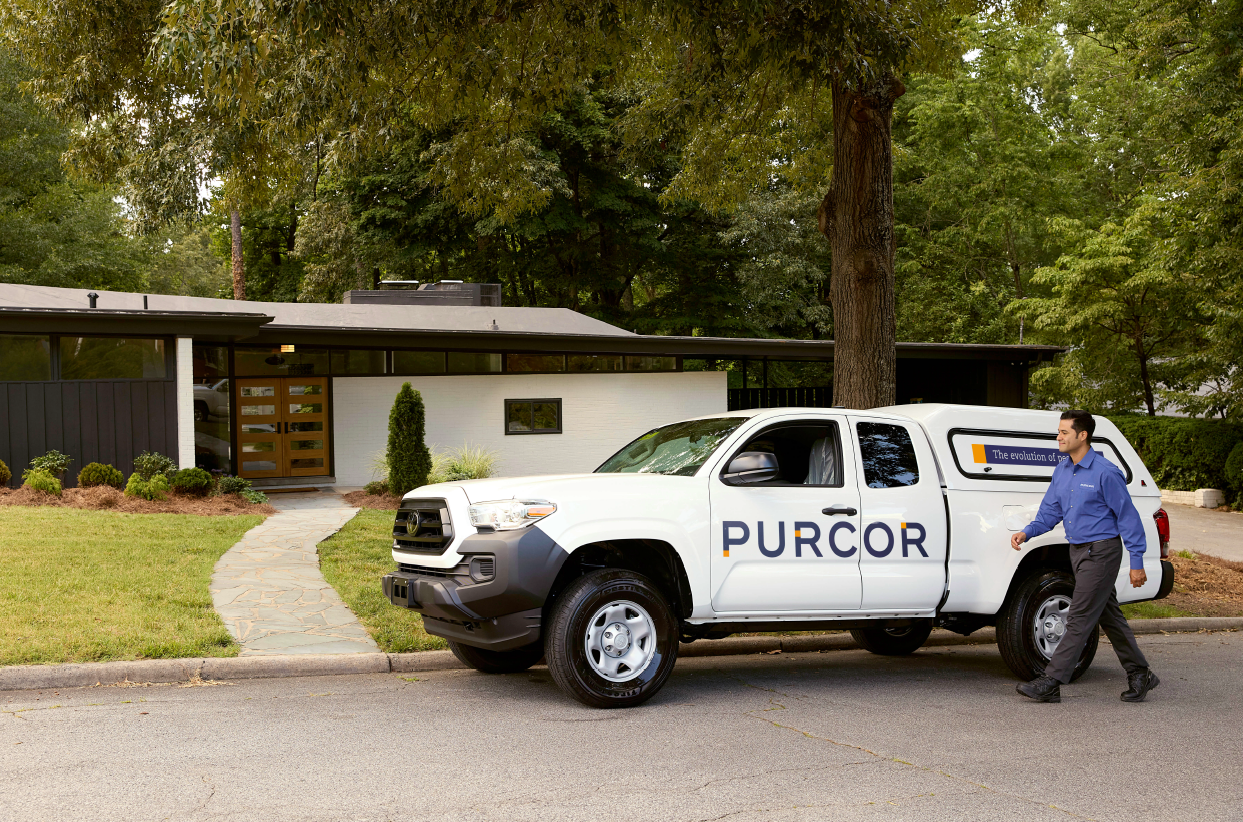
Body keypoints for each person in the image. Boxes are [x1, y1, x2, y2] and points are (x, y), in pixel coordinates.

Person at [1009, 410, 1159, 703]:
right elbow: (1050, 512)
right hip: (1077, 551)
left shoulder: (1106, 472)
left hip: (1102, 551)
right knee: (1108, 614)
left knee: (1078, 615)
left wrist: (1137, 563)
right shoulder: (1062, 470)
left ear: (1082, 435)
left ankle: (1051, 681)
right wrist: (1027, 532)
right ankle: (1141, 672)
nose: (1058, 437)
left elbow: (1128, 518)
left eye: (1064, 432)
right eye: (1059, 431)